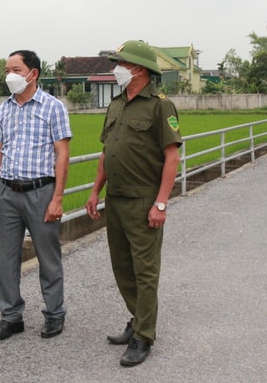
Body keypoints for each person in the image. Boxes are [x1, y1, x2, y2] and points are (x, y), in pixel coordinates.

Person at [85, 40, 182, 367]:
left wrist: (161, 203)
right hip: (116, 199)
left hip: (144, 200)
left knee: (145, 271)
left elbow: (172, 157)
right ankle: (137, 318)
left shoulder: (160, 106)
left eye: (120, 63)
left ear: (138, 68)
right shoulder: (116, 105)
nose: (116, 68)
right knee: (123, 267)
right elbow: (106, 152)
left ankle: (144, 335)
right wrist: (95, 190)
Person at [0, 50, 72, 341]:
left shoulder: (52, 107)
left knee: (48, 257)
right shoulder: (3, 109)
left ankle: (55, 314)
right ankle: (10, 317)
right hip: (8, 192)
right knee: (6, 259)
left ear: (33, 74)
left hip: (41, 191)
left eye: (16, 69)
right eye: (7, 69)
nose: (9, 75)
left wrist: (57, 198)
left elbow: (62, 154)